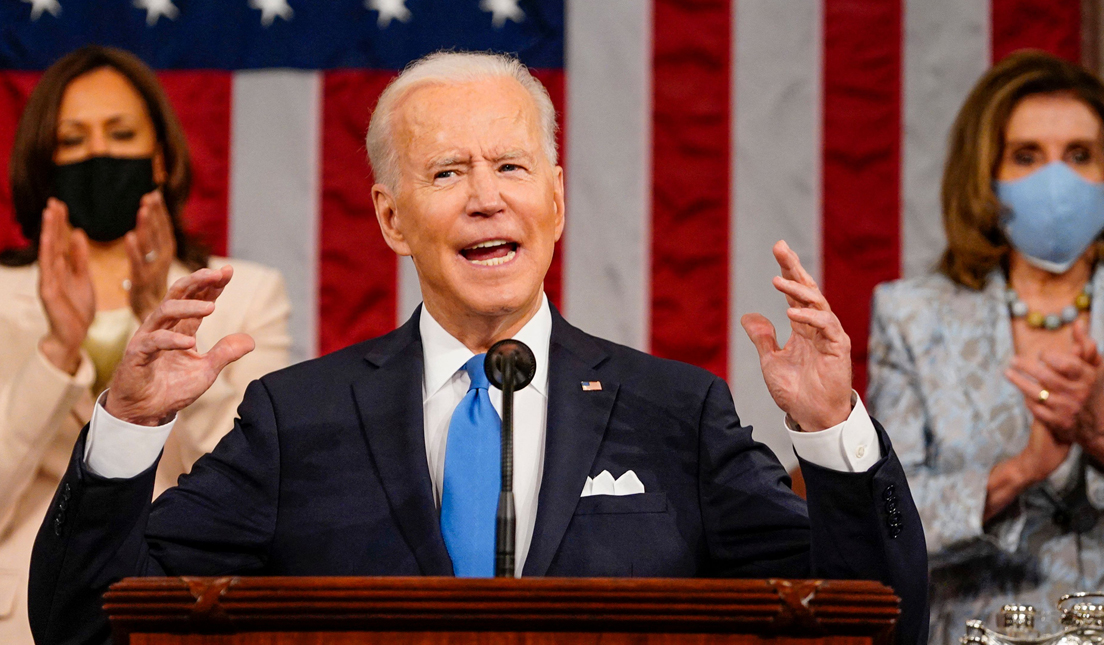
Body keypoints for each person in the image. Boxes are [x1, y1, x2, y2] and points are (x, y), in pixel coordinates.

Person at [30, 51, 928, 645]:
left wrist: (830, 435)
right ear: (390, 217)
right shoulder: (296, 418)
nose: (486, 198)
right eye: (447, 172)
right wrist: (128, 426)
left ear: (558, 199)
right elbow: (86, 627)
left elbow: (872, 624)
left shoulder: (675, 411)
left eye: (510, 167)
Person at [0, 46, 292, 643]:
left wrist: (171, 336)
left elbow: (262, 492)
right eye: (73, 140)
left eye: (121, 133)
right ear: (44, 161)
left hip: (184, 612)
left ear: (159, 156)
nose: (98, 154)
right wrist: (57, 349)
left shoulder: (247, 293)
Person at [869, 51, 1104, 645]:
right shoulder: (913, 315)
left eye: (1080, 155)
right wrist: (1021, 471)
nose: (1056, 181)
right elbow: (886, 521)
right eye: (1027, 156)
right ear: (985, 174)